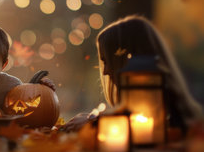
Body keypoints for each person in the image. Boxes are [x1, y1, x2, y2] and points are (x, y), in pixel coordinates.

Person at [61, 15, 203, 132]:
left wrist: (95, 124)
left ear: (129, 59)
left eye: (108, 62)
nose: (105, 71)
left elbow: (145, 132)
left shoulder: (168, 116)